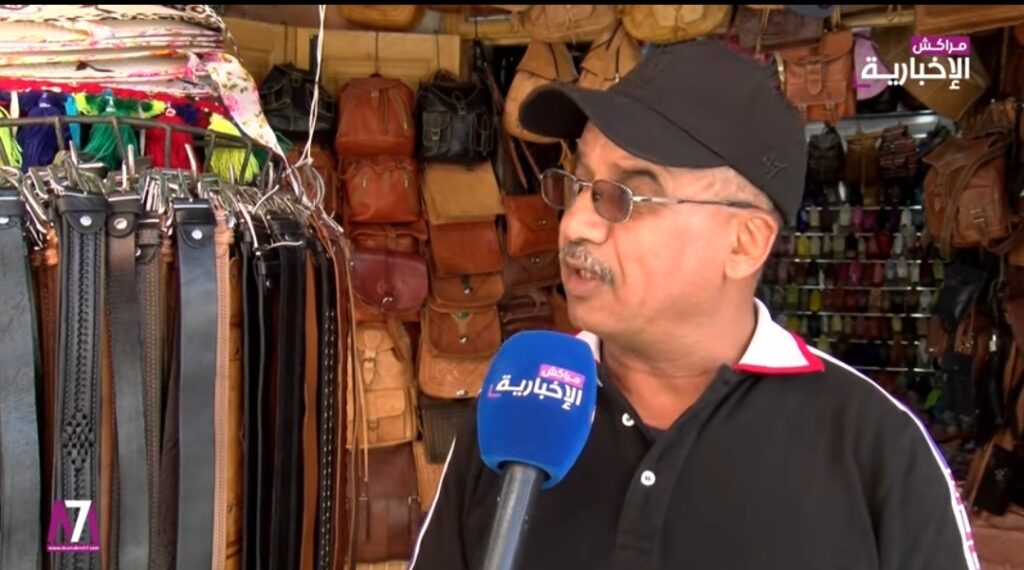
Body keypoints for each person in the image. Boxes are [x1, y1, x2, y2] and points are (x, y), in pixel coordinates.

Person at [409, 39, 979, 570]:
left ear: (745, 243)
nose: (576, 224)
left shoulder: (877, 450)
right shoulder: (518, 413)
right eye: (578, 184)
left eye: (624, 195)